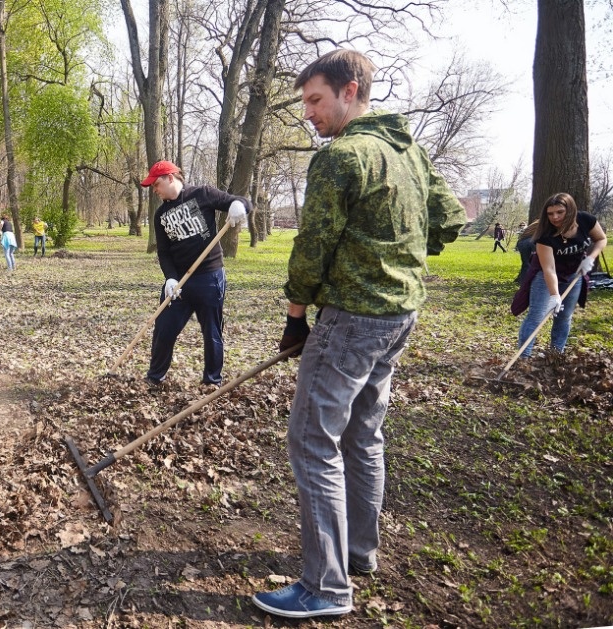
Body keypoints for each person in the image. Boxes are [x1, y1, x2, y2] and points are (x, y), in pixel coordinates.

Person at [251, 49, 465, 620]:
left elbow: (312, 248)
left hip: (352, 321)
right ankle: (357, 553)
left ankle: (325, 586)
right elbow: (448, 219)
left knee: (312, 439)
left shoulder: (344, 157)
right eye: (305, 105)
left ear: (350, 91)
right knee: (363, 433)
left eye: (316, 101)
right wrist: (399, 259)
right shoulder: (408, 150)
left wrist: (296, 318)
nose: (309, 115)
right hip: (400, 316)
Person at [139, 160, 250, 387]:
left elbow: (242, 202)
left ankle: (212, 381)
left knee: (211, 331)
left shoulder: (202, 194)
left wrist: (239, 206)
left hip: (209, 278)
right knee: (164, 329)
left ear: (171, 178)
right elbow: (164, 252)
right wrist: (170, 277)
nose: (155, 190)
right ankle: (155, 377)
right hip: (178, 283)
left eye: (157, 184)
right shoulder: (160, 214)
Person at [515, 192, 606, 358]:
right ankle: (523, 359)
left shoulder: (586, 220)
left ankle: (556, 356)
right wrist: (555, 295)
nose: (555, 218)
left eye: (559, 212)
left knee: (564, 317)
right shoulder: (544, 235)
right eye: (550, 214)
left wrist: (590, 259)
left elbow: (601, 239)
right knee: (536, 317)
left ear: (570, 210)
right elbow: (549, 268)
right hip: (545, 275)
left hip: (574, 274)